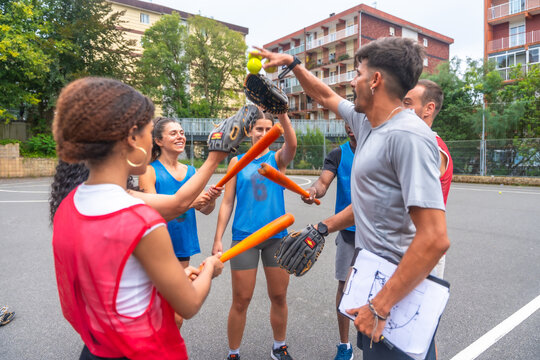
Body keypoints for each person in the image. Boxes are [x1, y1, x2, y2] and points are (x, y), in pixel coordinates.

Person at [257, 36, 449, 360]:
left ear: (375, 81)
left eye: (358, 72)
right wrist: (293, 65)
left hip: (397, 297)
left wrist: (380, 306)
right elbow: (324, 94)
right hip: (372, 283)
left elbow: (434, 238)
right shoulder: (366, 122)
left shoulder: (409, 137)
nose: (351, 80)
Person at [51, 77, 226, 360]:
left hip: (96, 347)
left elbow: (115, 282)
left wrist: (176, 276)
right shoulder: (141, 220)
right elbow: (189, 303)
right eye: (147, 130)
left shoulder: (68, 204)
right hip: (139, 351)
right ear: (133, 138)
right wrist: (210, 269)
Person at [212, 112, 297, 360]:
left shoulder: (277, 159)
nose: (262, 133)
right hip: (244, 238)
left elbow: (291, 145)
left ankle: (279, 346)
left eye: (267, 129)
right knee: (241, 299)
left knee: (279, 296)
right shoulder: (236, 161)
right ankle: (233, 353)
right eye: (258, 129)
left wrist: (283, 117)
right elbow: (227, 203)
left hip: (276, 237)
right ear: (249, 132)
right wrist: (218, 238)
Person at [301, 124, 356, 360]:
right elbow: (323, 183)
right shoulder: (338, 154)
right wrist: (314, 190)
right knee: (344, 287)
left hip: (378, 232)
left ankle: (381, 339)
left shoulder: (379, 148)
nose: (350, 127)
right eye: (346, 122)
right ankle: (345, 345)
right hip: (348, 231)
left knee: (381, 286)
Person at [139, 117, 221, 268]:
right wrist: (190, 204)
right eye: (173, 133)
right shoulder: (149, 171)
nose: (180, 136)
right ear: (159, 141)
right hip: (158, 244)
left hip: (183, 243)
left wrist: (211, 199)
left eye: (182, 133)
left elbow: (205, 209)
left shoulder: (190, 171)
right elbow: (151, 214)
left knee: (179, 288)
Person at [403, 79, 454, 278]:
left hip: (422, 251)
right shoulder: (415, 142)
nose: (401, 108)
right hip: (406, 247)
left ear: (428, 109)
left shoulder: (431, 147)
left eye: (407, 103)